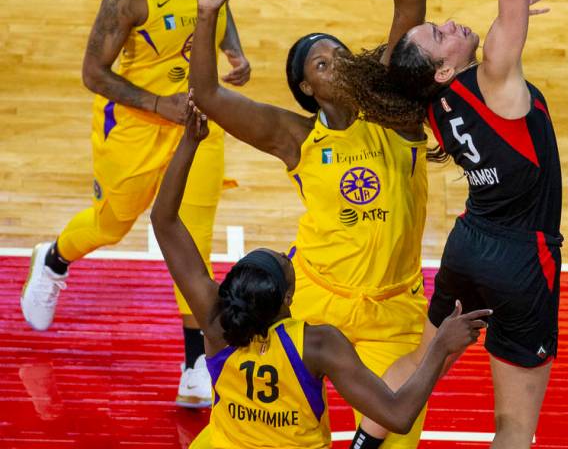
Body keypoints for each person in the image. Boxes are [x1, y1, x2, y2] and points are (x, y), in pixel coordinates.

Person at [188, 0, 446, 449]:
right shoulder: (295, 137)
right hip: (312, 298)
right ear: (307, 86)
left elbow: (408, 14)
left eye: (340, 52)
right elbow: (206, 92)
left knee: (399, 434)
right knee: (288, 427)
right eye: (323, 62)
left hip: (392, 308)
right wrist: (207, 13)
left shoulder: (395, 114)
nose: (339, 62)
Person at [336, 0, 561, 449]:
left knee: (423, 361)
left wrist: (506, 30)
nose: (448, 22)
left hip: (469, 249)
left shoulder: (427, 103)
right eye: (439, 32)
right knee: (515, 428)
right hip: (522, 259)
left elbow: (412, 58)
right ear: (441, 66)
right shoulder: (492, 75)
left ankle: (363, 443)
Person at [21, 0, 251, 407]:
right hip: (133, 126)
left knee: (192, 236)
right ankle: (55, 258)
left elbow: (214, 11)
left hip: (194, 124)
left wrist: (232, 51)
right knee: (113, 222)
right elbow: (92, 74)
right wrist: (155, 102)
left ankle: (195, 359)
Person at [150, 99, 491, 449]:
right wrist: (440, 348)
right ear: (288, 299)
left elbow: (163, 221)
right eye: (286, 259)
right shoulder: (316, 343)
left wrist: (189, 142)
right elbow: (398, 414)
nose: (287, 253)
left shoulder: (216, 322)